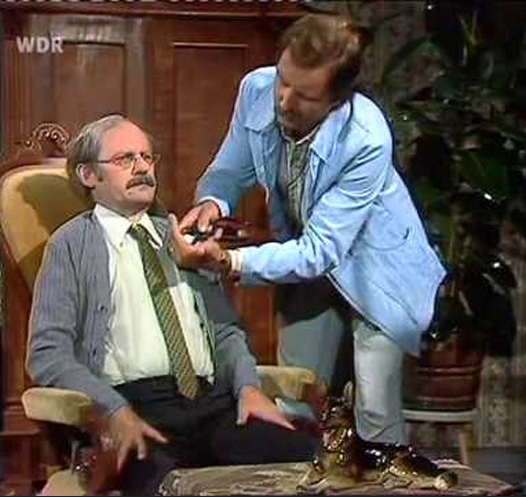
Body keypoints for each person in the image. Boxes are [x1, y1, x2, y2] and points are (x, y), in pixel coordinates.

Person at [175, 13, 447, 453]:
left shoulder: (365, 137)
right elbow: (230, 168)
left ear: (337, 99)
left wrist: (230, 260)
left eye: (304, 95)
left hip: (377, 271)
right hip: (302, 262)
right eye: (284, 81)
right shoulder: (257, 89)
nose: (284, 100)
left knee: (375, 410)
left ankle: (384, 480)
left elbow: (322, 250)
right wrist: (214, 201)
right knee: (294, 397)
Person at [26, 114, 317, 495]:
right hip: (137, 409)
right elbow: (47, 354)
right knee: (167, 485)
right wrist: (113, 409)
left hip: (214, 405)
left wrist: (248, 387)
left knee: (312, 462)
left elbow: (226, 331)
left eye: (147, 157)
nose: (142, 168)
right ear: (89, 175)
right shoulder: (70, 246)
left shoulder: (183, 239)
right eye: (125, 159)